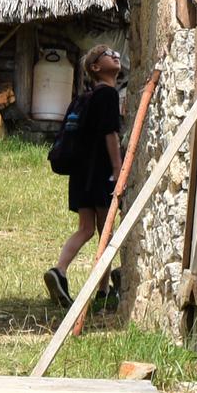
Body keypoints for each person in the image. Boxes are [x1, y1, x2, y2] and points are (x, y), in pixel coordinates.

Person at [44, 47, 123, 310]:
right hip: (100, 172)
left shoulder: (83, 98)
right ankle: (102, 291)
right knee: (105, 232)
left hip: (80, 174)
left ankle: (60, 270)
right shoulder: (108, 94)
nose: (114, 54)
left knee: (86, 229)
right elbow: (110, 133)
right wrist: (118, 169)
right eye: (107, 53)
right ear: (95, 68)